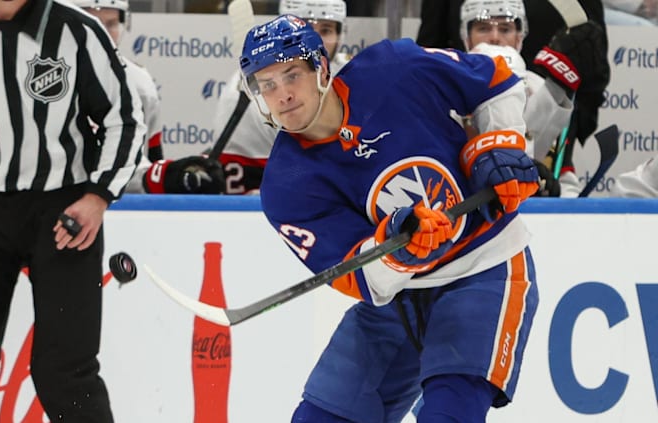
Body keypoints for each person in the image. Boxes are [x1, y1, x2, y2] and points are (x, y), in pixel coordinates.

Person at [240, 14, 539, 423]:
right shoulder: (286, 186)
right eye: (267, 84)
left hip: (484, 267)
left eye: (291, 75)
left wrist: (497, 146)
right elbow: (359, 274)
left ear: (320, 67)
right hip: (395, 304)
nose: (282, 95)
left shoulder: (394, 68)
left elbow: (495, 80)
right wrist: (398, 247)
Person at [0, 0, 145, 420]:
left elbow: (123, 119)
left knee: (65, 375)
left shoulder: (77, 30)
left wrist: (98, 197)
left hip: (65, 210)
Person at [141, 0, 349, 195]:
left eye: (326, 30)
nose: (316, 39)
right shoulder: (246, 89)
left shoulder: (352, 79)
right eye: (306, 28)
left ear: (341, 35)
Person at [459, 0, 607, 197]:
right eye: (483, 28)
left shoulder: (545, 86)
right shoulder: (444, 89)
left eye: (505, 29)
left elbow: (562, 176)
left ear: (520, 37)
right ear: (466, 37)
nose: (494, 38)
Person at [69, 0, 164, 193]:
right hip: (58, 197)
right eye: (93, 23)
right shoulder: (52, 75)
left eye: (111, 24)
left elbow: (151, 154)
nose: (102, 33)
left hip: (122, 201)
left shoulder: (140, 82)